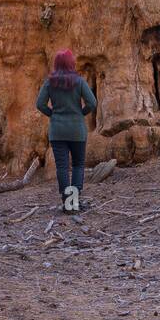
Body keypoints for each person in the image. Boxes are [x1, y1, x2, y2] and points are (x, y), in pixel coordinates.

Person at [36, 50, 97, 212]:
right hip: (77, 130)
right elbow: (92, 102)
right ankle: (74, 203)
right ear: (71, 63)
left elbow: (40, 104)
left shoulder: (50, 82)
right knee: (77, 165)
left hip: (57, 131)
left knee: (62, 167)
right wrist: (80, 114)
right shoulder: (79, 81)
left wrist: (53, 115)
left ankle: (67, 204)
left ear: (56, 64)